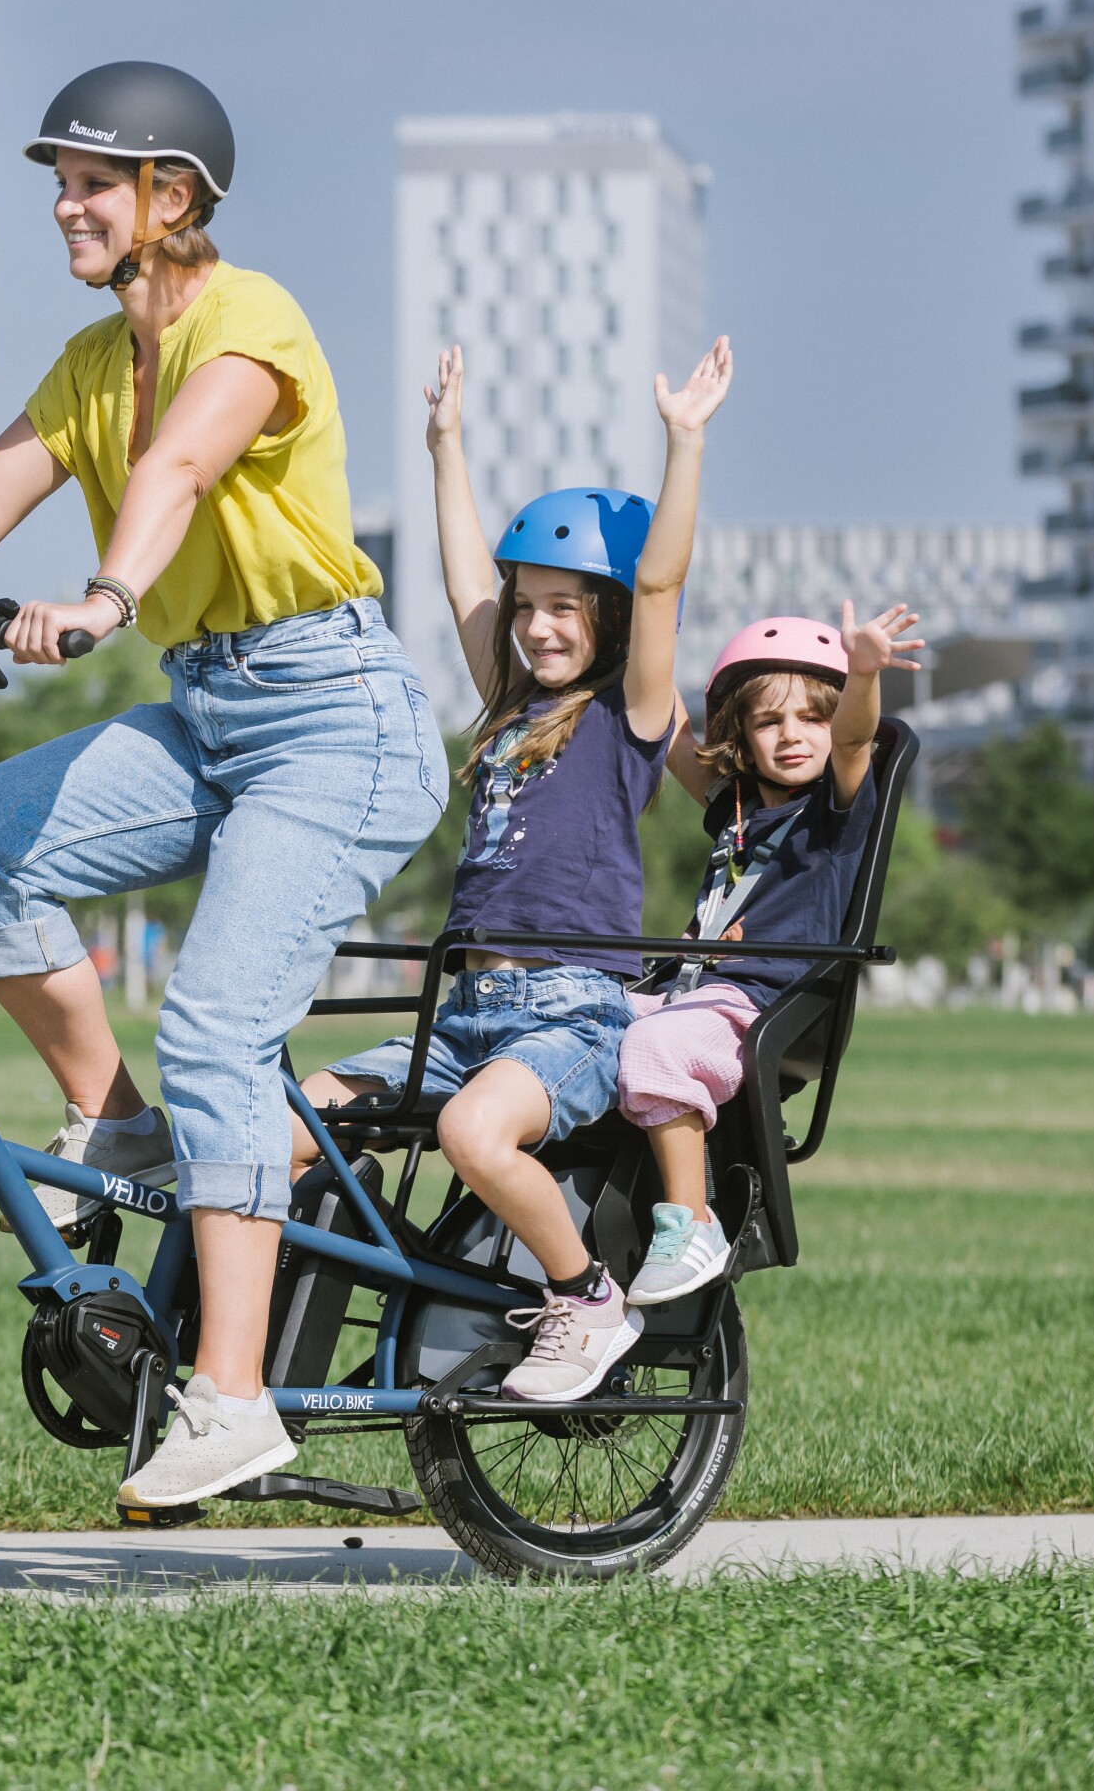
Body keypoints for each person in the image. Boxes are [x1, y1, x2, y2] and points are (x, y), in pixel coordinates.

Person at [0, 62, 449, 1508]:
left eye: (88, 182)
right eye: (57, 181)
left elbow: (183, 469)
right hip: (208, 708)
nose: (61, 205)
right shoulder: (85, 366)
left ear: (168, 199)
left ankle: (236, 1399)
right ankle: (113, 1121)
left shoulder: (250, 322)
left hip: (335, 719)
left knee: (218, 1029)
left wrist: (106, 593)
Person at [297, 333, 733, 1404]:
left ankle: (586, 1301)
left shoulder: (627, 716)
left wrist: (684, 446)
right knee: (297, 1118)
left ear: (610, 620)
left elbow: (665, 581)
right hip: (469, 1010)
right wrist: (445, 447)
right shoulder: (507, 709)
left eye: (565, 609)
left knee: (470, 1131)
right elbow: (458, 588)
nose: (537, 626)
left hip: (570, 1010)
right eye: (527, 605)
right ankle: (335, 1325)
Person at [616, 604, 919, 1304]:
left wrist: (864, 672)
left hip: (759, 1000)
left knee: (657, 1048)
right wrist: (630, 641)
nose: (791, 737)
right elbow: (665, 725)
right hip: (690, 990)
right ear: (741, 735)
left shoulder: (836, 813)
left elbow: (854, 740)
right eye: (767, 721)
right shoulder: (737, 807)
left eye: (810, 717)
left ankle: (690, 1225)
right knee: (575, 1010)